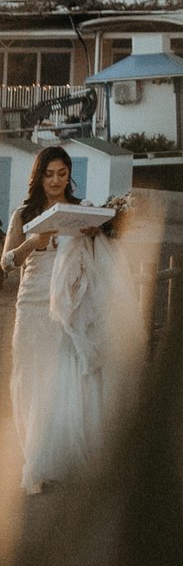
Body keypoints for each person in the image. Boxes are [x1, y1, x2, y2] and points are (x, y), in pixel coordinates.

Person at [1, 141, 123, 493]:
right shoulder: (22, 215)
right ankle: (34, 453)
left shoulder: (81, 210)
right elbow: (6, 262)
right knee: (28, 378)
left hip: (67, 303)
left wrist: (95, 234)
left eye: (62, 174)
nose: (55, 181)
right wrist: (31, 244)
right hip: (31, 302)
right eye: (49, 174)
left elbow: (100, 254)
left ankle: (56, 461)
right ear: (38, 177)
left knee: (63, 381)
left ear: (70, 176)